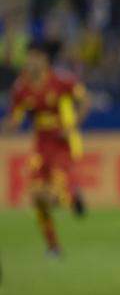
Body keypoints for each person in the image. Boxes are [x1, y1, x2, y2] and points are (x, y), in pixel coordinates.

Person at [1, 40, 90, 257]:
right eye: (29, 57)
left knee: (50, 197)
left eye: (36, 57)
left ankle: (70, 196)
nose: (31, 62)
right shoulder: (20, 87)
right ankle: (53, 246)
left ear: (45, 60)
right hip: (40, 147)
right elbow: (14, 120)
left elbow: (85, 101)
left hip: (63, 145)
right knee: (36, 198)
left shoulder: (62, 81)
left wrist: (72, 126)